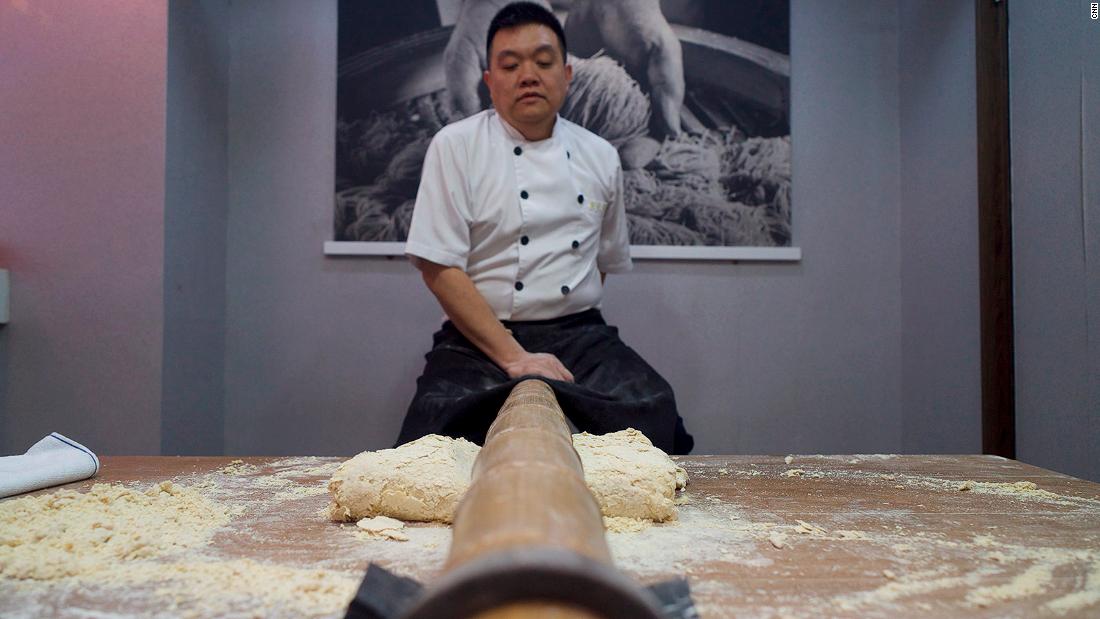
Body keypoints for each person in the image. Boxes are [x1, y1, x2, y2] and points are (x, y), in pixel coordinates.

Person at [398, 1, 694, 455]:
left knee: (653, 406)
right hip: (476, 334)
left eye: (543, 61)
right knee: (433, 431)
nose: (528, 75)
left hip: (579, 332)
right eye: (510, 64)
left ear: (568, 74)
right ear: (488, 80)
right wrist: (515, 357)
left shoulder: (600, 155)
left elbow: (602, 262)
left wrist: (563, 315)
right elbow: (439, 267)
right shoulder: (454, 146)